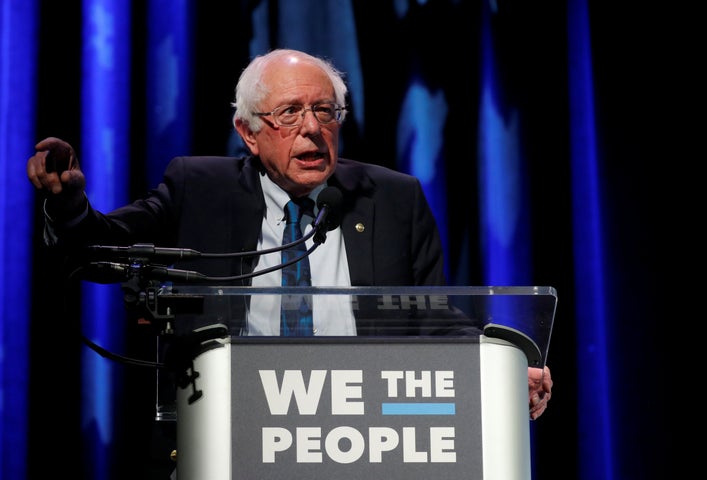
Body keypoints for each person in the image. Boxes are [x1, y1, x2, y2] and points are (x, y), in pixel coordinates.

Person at [27, 49, 552, 418]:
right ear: (248, 133)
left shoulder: (393, 198)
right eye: (289, 113)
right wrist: (67, 202)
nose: (311, 128)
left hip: (363, 429)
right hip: (230, 422)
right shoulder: (198, 187)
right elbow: (103, 251)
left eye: (325, 111)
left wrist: (501, 364)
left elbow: (432, 320)